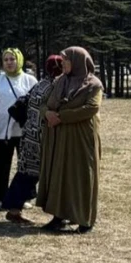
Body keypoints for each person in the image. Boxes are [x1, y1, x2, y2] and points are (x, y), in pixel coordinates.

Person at [38, 47, 102, 233]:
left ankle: (84, 219)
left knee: (81, 176)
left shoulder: (93, 85)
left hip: (81, 139)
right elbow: (43, 103)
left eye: (66, 60)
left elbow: (91, 108)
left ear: (78, 62)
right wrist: (47, 113)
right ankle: (59, 216)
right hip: (59, 138)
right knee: (60, 174)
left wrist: (61, 117)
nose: (62, 64)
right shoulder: (60, 82)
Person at [4, 55, 63, 223]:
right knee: (45, 174)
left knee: (26, 173)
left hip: (29, 135)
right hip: (42, 137)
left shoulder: (41, 83)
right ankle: (57, 214)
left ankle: (14, 209)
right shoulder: (55, 85)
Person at [0, 48, 38, 210]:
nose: (9, 63)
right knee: (2, 165)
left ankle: (25, 197)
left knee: (26, 165)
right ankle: (0, 198)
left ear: (19, 61)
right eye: (6, 60)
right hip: (3, 131)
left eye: (12, 59)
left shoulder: (30, 80)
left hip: (25, 130)